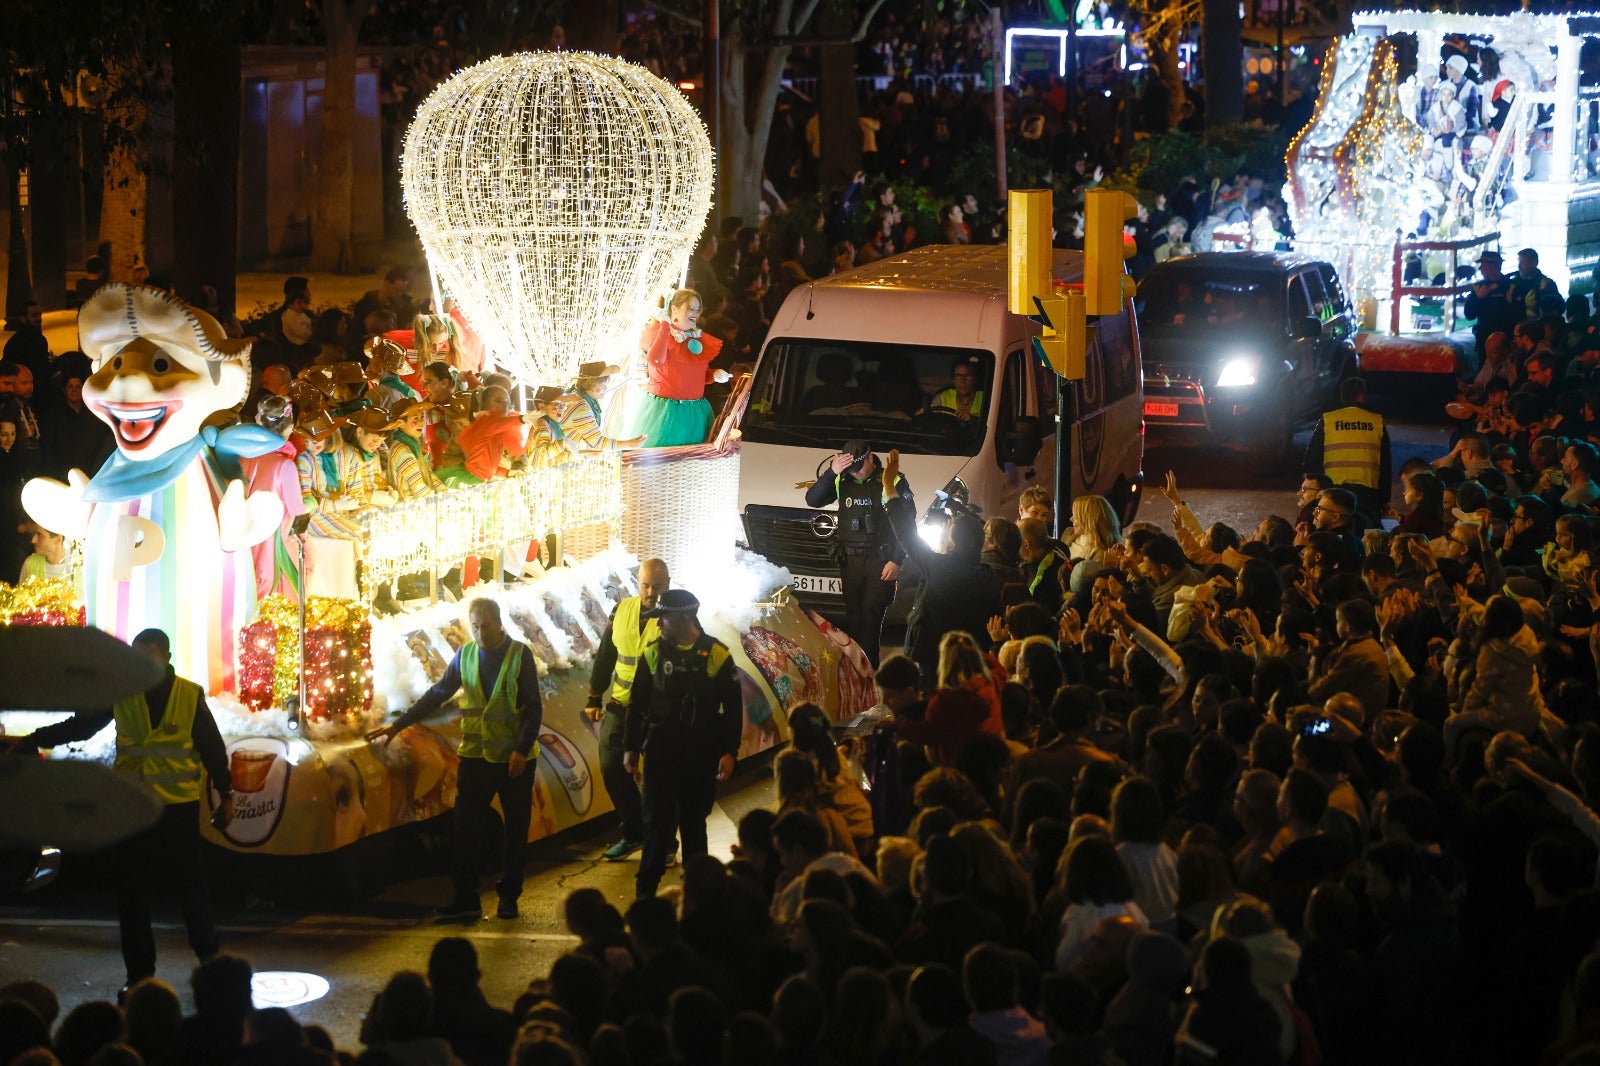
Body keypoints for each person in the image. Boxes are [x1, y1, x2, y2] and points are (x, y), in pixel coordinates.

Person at [9, 629, 233, 993]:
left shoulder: (188, 694)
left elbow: (211, 746)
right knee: (140, 895)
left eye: (143, 653)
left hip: (169, 810)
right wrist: (35, 738)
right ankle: (150, 976)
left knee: (181, 891)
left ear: (165, 653)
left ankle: (205, 966)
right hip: (137, 809)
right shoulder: (125, 693)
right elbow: (82, 727)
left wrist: (227, 793)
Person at [368, 598, 543, 920]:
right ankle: (465, 899)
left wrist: (521, 749)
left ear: (498, 621)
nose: (479, 632)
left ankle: (509, 896)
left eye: (485, 625)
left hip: (514, 760)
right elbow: (438, 693)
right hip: (476, 758)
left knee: (516, 831)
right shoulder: (466, 655)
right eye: (474, 626)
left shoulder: (520, 655)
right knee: (464, 831)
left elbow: (533, 707)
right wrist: (398, 725)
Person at [622, 589, 744, 898]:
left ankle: (698, 896)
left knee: (693, 825)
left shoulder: (717, 655)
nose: (658, 624)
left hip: (699, 757)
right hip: (660, 754)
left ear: (680, 618)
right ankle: (644, 898)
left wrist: (730, 752)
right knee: (656, 827)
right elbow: (636, 705)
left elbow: (732, 710)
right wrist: (630, 747)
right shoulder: (652, 654)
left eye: (662, 618)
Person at [882, 448, 1004, 680]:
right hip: (972, 659)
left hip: (933, 658)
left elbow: (905, 533)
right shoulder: (990, 577)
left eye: (949, 529)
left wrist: (889, 486)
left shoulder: (937, 567)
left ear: (954, 540)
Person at [587, 558, 671, 862]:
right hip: (620, 705)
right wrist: (594, 696)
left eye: (657, 586)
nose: (650, 592)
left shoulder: (674, 617)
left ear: (668, 584)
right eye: (646, 585)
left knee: (657, 782)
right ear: (637, 583)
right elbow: (606, 654)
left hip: (656, 713)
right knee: (610, 766)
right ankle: (634, 832)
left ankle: (665, 844)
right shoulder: (621, 610)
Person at [803, 440, 913, 663]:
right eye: (850, 470)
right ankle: (856, 671)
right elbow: (812, 500)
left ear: (870, 458)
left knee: (871, 618)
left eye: (859, 469)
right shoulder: (842, 478)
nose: (856, 475)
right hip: (851, 559)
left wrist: (896, 559)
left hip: (880, 561)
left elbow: (908, 523)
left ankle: (869, 673)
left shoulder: (892, 480)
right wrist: (832, 471)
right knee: (853, 618)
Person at [626, 289, 731, 447]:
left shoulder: (697, 338)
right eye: (691, 308)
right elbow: (655, 360)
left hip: (696, 412)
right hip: (667, 411)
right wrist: (665, 327)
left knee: (690, 463)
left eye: (697, 309)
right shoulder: (660, 332)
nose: (695, 313)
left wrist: (715, 374)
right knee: (663, 461)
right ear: (674, 309)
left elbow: (699, 375)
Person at [1303, 376, 1392, 519]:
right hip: (1368, 494)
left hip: (1333, 491)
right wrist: (1384, 499)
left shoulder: (1328, 420)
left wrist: (1317, 491)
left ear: (1342, 396)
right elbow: (1385, 464)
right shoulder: (1377, 421)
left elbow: (1311, 458)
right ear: (1362, 396)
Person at [927, 355, 986, 423]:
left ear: (975, 379)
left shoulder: (985, 399)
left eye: (968, 376)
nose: (963, 380)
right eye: (958, 376)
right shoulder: (942, 398)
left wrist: (973, 419)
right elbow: (931, 421)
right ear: (953, 380)